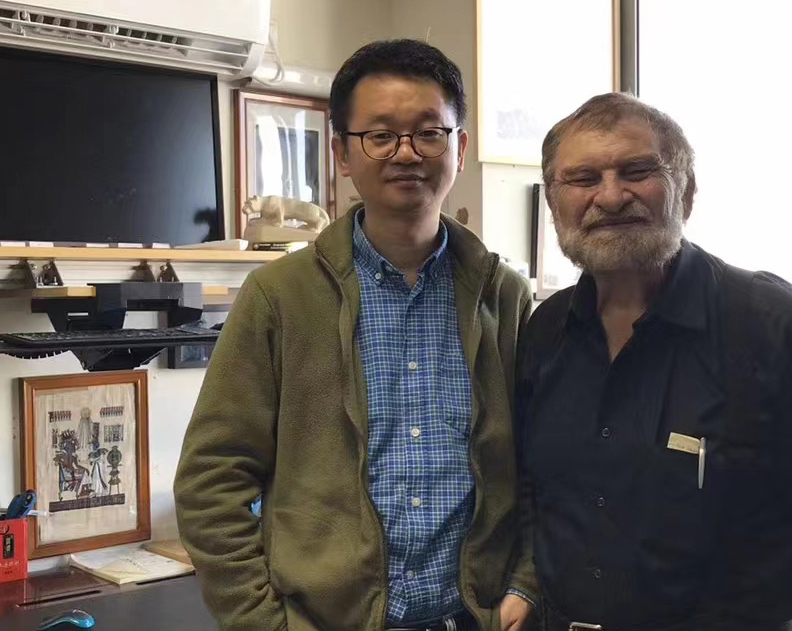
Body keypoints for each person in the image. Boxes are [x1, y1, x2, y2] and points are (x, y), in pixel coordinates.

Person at [174, 39, 537, 631]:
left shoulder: (505, 297)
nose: (406, 153)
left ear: (460, 148)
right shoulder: (279, 298)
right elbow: (211, 481)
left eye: (429, 132)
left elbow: (543, 466)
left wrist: (526, 582)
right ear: (342, 152)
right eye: (380, 134)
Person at [515, 92, 792, 631]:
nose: (611, 195)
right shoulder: (545, 330)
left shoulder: (777, 328)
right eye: (583, 179)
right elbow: (536, 487)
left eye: (638, 170)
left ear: (686, 192)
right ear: (554, 204)